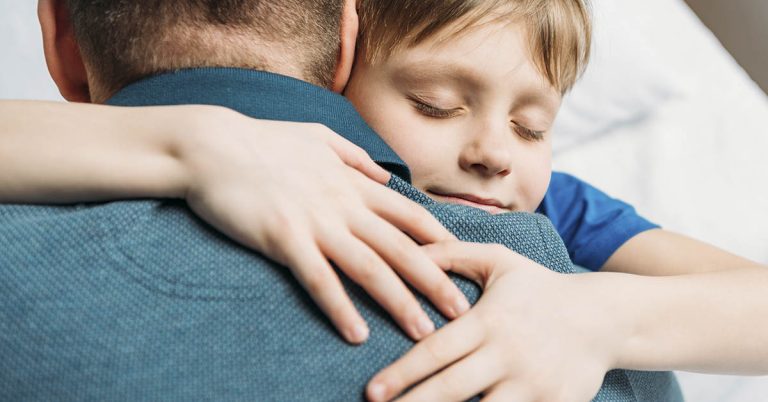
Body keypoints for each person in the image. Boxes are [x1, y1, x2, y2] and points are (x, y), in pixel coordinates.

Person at [1, 0, 765, 400]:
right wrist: (199, 140)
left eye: (534, 127)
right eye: (435, 105)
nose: (495, 153)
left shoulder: (553, 214)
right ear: (345, 62)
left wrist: (599, 313)